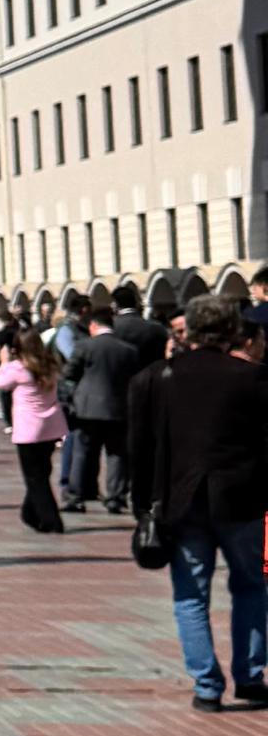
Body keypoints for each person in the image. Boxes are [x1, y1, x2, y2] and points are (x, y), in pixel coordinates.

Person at [128, 293, 268, 712]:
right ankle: (250, 676)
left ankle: (207, 685)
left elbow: (140, 448)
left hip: (181, 501)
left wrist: (143, 506)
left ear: (188, 328)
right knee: (251, 586)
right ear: (231, 329)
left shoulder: (158, 378)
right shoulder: (253, 378)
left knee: (190, 594)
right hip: (243, 499)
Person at [68, 297, 152, 514]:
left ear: (93, 325)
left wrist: (71, 398)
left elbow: (69, 374)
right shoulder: (129, 350)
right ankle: (115, 497)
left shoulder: (84, 346)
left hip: (87, 409)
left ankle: (75, 496)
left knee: (82, 453)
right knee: (117, 454)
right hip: (118, 409)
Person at [4, 336, 68, 534]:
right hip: (50, 426)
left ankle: (51, 520)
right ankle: (30, 512)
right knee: (42, 471)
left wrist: (4, 361)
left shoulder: (18, 368)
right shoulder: (50, 365)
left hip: (29, 429)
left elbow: (0, 383)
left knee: (35, 477)